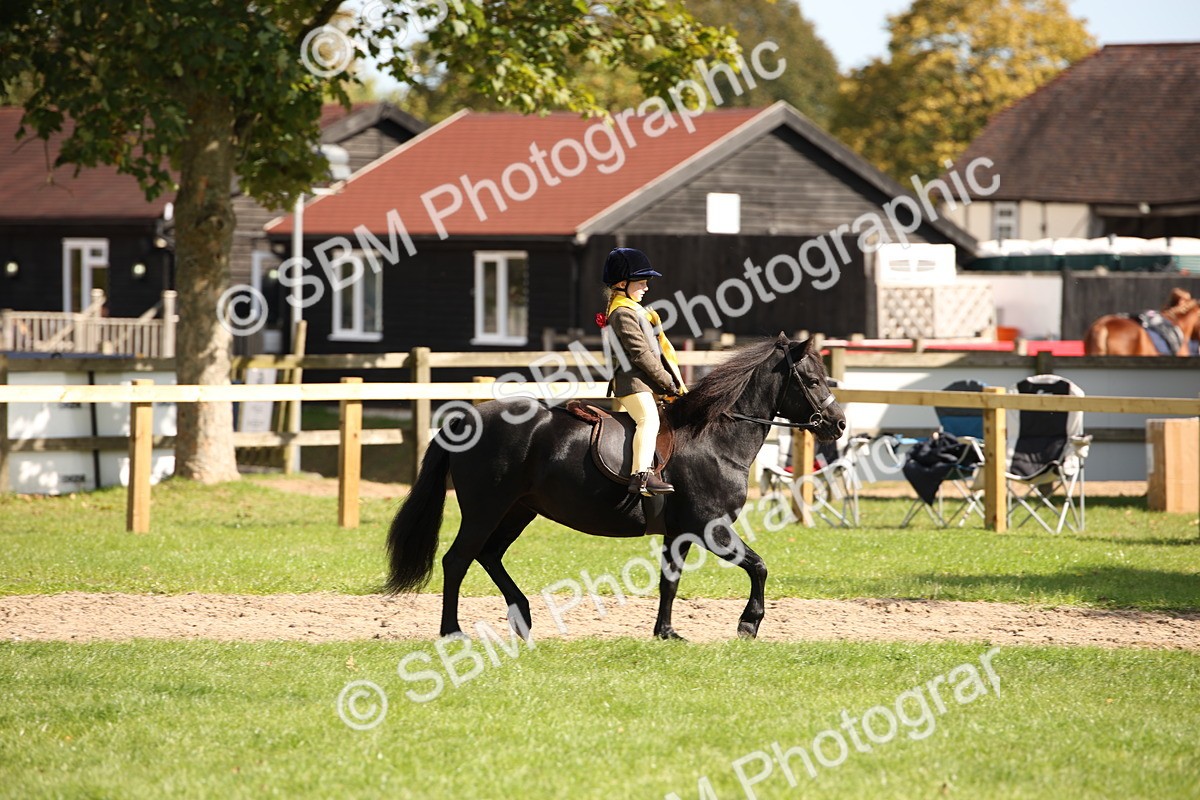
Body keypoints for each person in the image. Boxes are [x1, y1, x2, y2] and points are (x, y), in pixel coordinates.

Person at [598, 248, 687, 496]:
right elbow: (642, 355)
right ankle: (642, 477)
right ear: (622, 284)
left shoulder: (637, 312)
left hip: (645, 383)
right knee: (649, 419)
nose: (646, 288)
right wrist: (669, 382)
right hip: (633, 384)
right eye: (641, 283)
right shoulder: (623, 314)